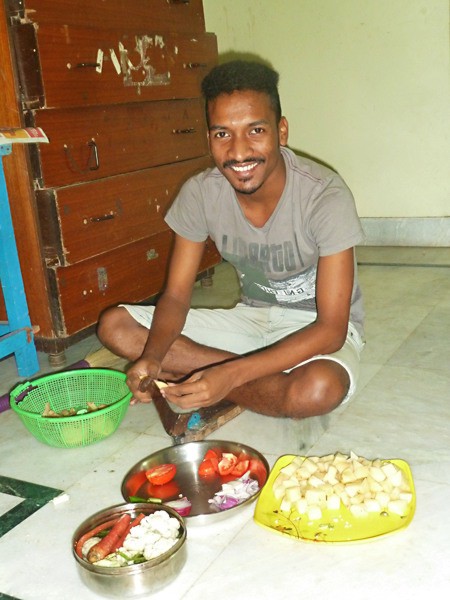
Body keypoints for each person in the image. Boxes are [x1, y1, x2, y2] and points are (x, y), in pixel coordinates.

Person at [97, 60, 365, 419]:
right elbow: (175, 296)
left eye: (256, 130)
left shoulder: (325, 196)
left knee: (317, 389)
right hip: (251, 320)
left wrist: (230, 374)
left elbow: (331, 330)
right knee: (116, 326)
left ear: (281, 132)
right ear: (208, 138)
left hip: (312, 328)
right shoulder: (200, 193)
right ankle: (256, 383)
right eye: (222, 134)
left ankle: (213, 376)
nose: (238, 153)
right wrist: (154, 357)